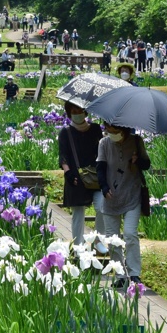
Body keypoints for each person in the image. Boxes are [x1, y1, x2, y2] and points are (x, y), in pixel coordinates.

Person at [95, 123, 150, 289]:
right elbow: (100, 168)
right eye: (107, 128)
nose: (110, 131)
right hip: (111, 197)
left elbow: (147, 164)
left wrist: (137, 160)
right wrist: (104, 188)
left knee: (130, 234)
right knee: (112, 239)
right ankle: (120, 274)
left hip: (132, 195)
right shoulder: (104, 143)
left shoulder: (136, 141)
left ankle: (134, 274)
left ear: (123, 128)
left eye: (114, 129)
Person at [58, 101, 103, 245]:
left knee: (101, 207)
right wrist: (68, 173)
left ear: (85, 111)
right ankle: (78, 246)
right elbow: (63, 156)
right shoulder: (66, 132)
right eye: (74, 111)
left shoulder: (95, 129)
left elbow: (103, 151)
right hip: (76, 176)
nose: (77, 114)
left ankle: (98, 242)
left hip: (95, 175)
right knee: (78, 212)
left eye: (80, 111)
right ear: (69, 113)